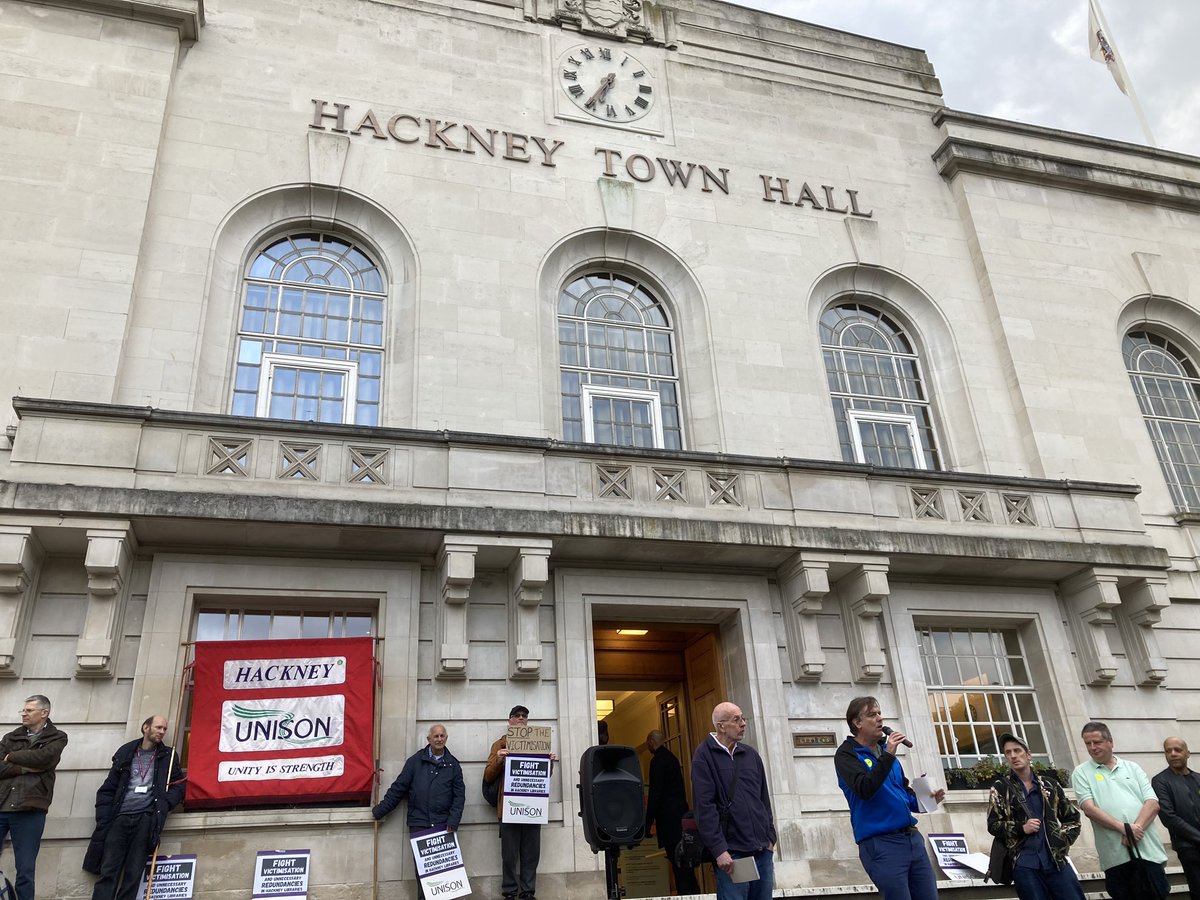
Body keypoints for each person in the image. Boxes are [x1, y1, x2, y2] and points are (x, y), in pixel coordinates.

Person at [834, 696, 943, 900]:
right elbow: (865, 788)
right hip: (882, 844)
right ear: (857, 723)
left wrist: (927, 799)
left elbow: (904, 794)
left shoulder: (885, 754)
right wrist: (888, 754)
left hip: (912, 839)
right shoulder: (846, 755)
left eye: (880, 713)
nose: (880, 719)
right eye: (872, 715)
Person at [83, 715, 185, 900]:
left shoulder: (168, 756)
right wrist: (104, 818)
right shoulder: (126, 752)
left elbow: (179, 785)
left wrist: (165, 803)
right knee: (108, 871)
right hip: (119, 818)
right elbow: (107, 790)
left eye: (164, 729)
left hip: (146, 819)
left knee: (133, 874)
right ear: (146, 728)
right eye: (158, 727)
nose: (162, 732)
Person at [1071, 720, 1168, 900]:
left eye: (1097, 742)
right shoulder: (1081, 772)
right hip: (1115, 857)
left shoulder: (1133, 767)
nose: (1092, 747)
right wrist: (1122, 827)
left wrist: (1133, 829)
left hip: (1148, 852)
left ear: (1110, 742)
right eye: (1088, 743)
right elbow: (1089, 808)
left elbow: (1153, 803)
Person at [691, 701, 775, 900]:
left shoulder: (751, 755)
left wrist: (771, 836)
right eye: (736, 720)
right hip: (732, 853)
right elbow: (704, 807)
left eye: (743, 718)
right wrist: (719, 850)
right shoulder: (703, 756)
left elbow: (763, 798)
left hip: (762, 849)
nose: (743, 723)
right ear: (720, 725)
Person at [986, 732, 1084, 900]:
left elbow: (1073, 818)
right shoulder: (1000, 788)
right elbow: (993, 825)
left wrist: (1061, 840)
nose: (1013, 756)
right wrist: (1021, 828)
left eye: (1017, 751)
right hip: (1025, 864)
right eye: (1008, 753)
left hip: (1056, 861)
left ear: (1028, 754)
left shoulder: (1050, 785)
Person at [373, 724, 465, 898]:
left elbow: (459, 797)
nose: (439, 739)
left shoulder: (453, 765)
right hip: (420, 825)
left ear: (446, 738)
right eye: (435, 736)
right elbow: (398, 789)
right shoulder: (414, 762)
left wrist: (453, 821)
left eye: (442, 736)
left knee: (444, 877)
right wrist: (380, 811)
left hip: (443, 826)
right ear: (428, 739)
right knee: (424, 875)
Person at [0, 694, 69, 900]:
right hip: (1, 805)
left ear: (44, 713)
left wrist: (11, 757)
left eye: (29, 710)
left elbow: (45, 759)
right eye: (24, 710)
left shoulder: (57, 737)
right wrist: (25, 768)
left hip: (30, 809)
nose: (24, 713)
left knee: (25, 870)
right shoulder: (11, 737)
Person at [484, 705, 556, 900]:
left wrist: (549, 762)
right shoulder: (499, 744)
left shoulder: (538, 743)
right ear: (510, 721)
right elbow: (488, 776)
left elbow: (544, 777)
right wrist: (499, 760)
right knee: (509, 855)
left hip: (532, 807)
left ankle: (527, 892)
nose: (521, 719)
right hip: (508, 808)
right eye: (517, 716)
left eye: (524, 716)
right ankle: (509, 891)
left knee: (531, 853)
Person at [645, 729, 700, 895]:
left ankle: (686, 895)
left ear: (652, 742)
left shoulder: (657, 761)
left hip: (669, 822)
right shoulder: (673, 759)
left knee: (678, 865)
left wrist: (647, 823)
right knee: (685, 865)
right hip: (681, 819)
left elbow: (655, 793)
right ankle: (694, 894)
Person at [1151, 735, 1200, 900]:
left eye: (1178, 750)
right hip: (1188, 847)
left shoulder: (1198, 779)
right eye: (1168, 751)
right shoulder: (1160, 781)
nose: (1173, 754)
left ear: (1188, 753)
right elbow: (1168, 817)